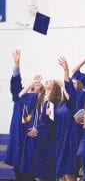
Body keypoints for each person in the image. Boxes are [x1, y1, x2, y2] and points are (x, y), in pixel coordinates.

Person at [5, 49, 43, 181]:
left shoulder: (41, 100)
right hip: (17, 136)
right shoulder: (21, 97)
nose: (34, 85)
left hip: (30, 139)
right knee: (17, 169)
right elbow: (16, 86)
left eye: (37, 84)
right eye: (32, 84)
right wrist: (17, 65)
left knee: (29, 171)